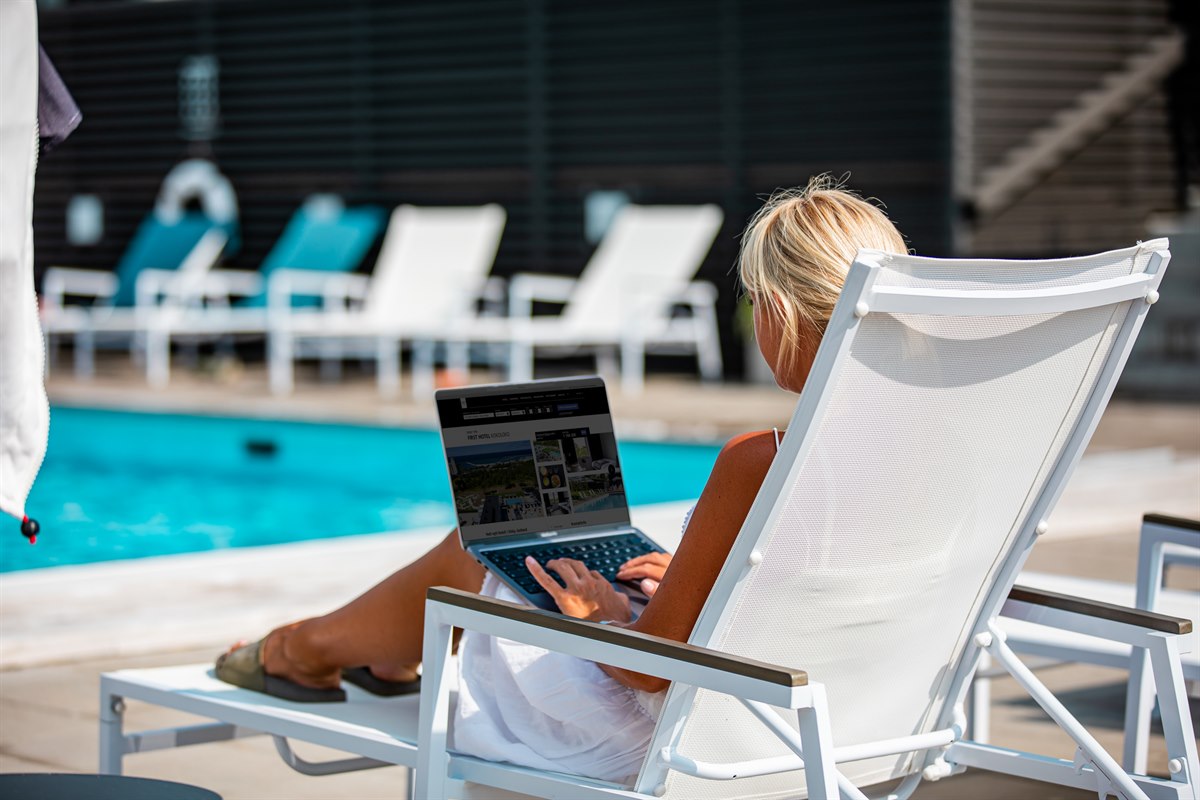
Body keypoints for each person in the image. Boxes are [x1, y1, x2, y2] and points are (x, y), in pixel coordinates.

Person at [216, 175, 908, 782]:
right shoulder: (921, 452)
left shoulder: (761, 459)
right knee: (536, 559)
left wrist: (601, 617)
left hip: (692, 738)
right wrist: (695, 581)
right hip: (847, 720)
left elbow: (648, 672)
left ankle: (302, 651)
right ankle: (368, 657)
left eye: (754, 303)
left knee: (490, 558)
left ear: (779, 312)